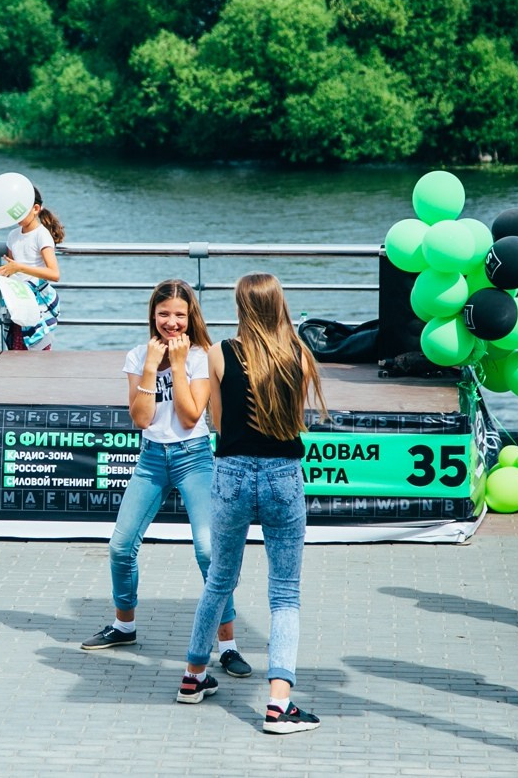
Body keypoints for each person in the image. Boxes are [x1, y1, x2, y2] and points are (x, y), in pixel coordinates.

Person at [176, 273, 327, 735]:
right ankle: (280, 704)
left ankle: (193, 678)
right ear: (280, 305)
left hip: (232, 472)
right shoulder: (299, 355)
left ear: (241, 307)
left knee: (219, 580)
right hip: (282, 475)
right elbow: (294, 419)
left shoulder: (219, 354)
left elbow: (217, 422)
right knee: (285, 594)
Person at [81, 280, 251, 677]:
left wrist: (175, 364)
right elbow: (141, 419)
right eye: (164, 314)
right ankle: (124, 624)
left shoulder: (202, 356)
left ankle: (227, 644)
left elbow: (192, 416)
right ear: (152, 316)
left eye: (179, 314)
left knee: (209, 552)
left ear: (191, 315)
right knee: (121, 546)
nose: (171, 323)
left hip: (194, 458)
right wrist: (148, 367)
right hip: (152, 458)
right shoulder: (138, 354)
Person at [0, 187, 64, 350]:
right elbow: (12, 268)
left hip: (36, 305)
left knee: (37, 352)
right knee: (16, 349)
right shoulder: (12, 235)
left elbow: (54, 274)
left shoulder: (41, 235)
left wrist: (20, 267)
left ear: (35, 209)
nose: (16, 215)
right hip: (18, 302)